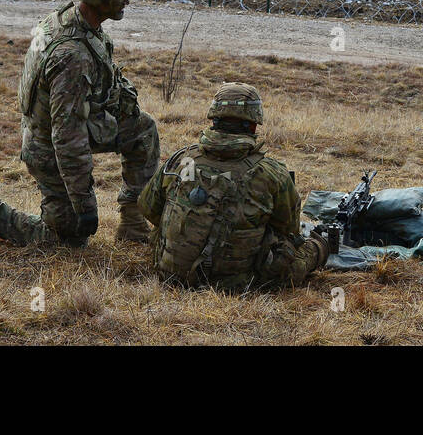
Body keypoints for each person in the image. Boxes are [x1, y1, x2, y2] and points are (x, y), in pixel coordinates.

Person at [0, 0, 159, 246]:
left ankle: (133, 225)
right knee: (67, 240)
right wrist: (84, 204)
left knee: (142, 129)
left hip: (66, 127)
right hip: (48, 148)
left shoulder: (74, 20)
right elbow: (67, 136)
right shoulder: (72, 56)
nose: (126, 1)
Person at [137, 83, 333, 290]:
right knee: (306, 249)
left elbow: (148, 209)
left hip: (169, 274)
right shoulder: (271, 173)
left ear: (214, 119)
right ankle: (323, 246)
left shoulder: (181, 159)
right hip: (234, 285)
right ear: (253, 124)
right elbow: (288, 231)